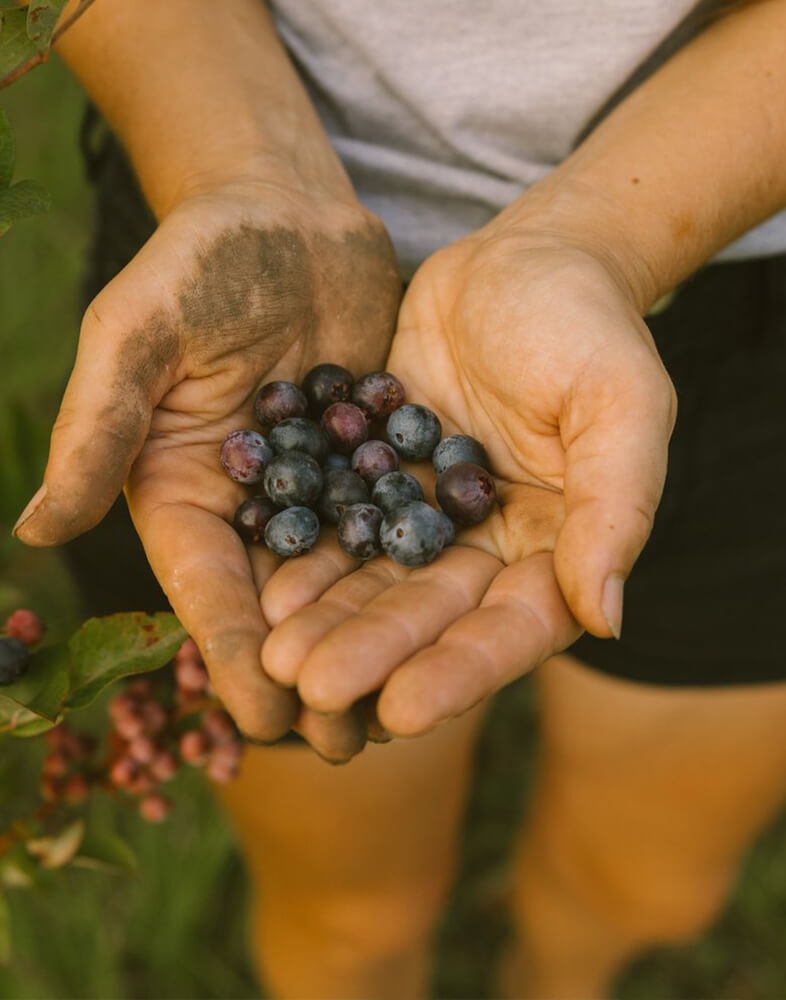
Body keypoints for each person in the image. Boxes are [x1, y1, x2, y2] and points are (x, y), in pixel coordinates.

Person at [13, 0, 786, 996]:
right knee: (349, 913)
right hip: (235, 233)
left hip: (747, 269)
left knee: (646, 891)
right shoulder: (302, 440)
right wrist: (241, 167)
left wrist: (602, 237)